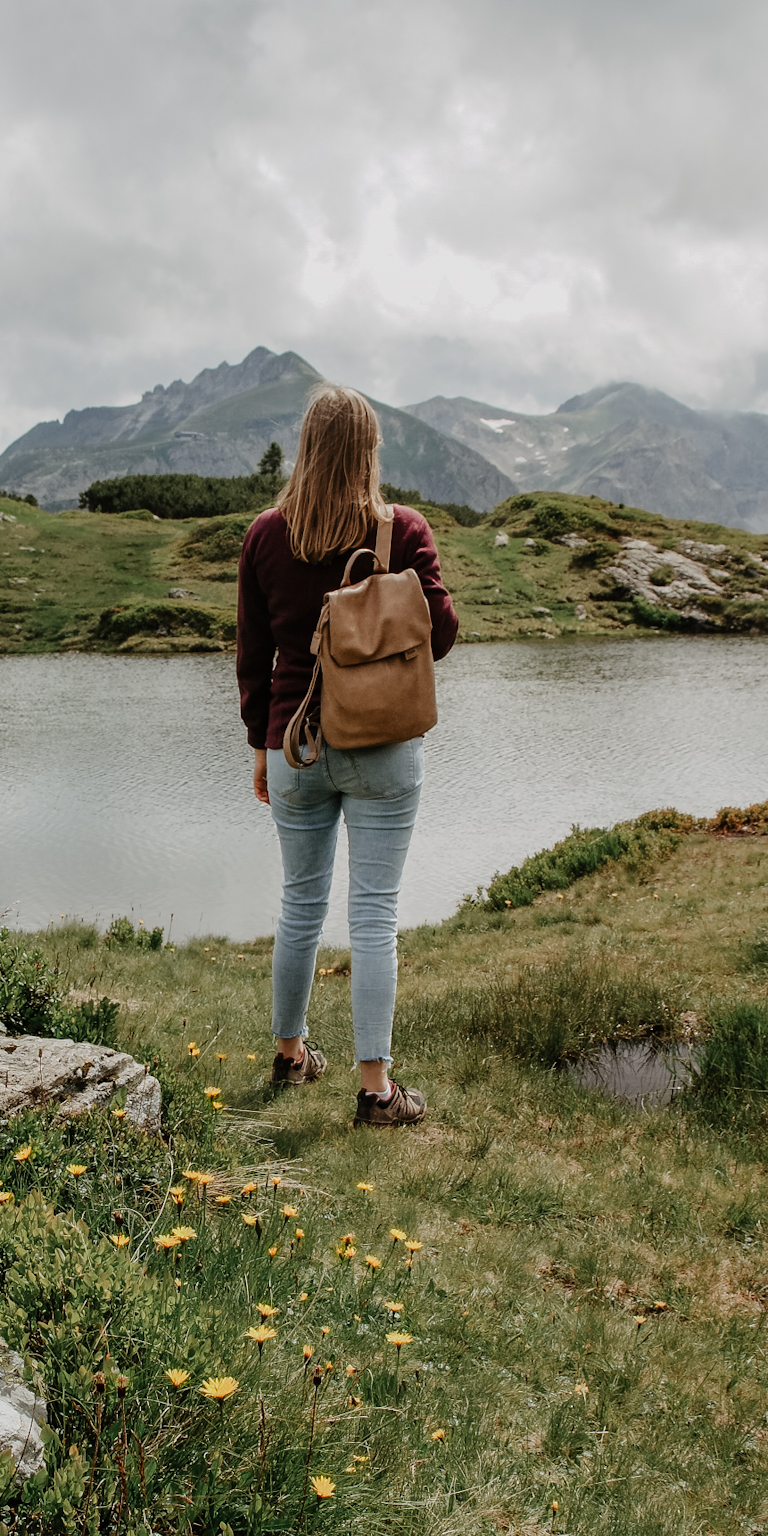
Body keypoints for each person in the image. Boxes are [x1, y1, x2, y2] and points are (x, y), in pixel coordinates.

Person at [236, 384, 458, 1128]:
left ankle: (291, 1055)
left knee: (299, 905)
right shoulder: (402, 531)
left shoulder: (265, 534)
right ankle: (375, 1092)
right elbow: (443, 632)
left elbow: (252, 655)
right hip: (381, 746)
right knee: (373, 913)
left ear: (305, 445)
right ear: (369, 450)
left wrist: (260, 744)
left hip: (292, 741)